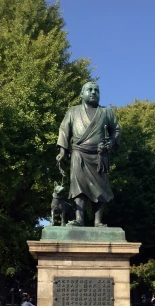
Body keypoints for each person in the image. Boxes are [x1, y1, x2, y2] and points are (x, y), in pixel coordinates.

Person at [55, 82, 121, 227]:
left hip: (99, 154)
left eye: (96, 90)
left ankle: (98, 221)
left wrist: (110, 143)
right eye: (89, 90)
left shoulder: (107, 112)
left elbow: (116, 130)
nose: (93, 92)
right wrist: (62, 150)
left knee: (101, 187)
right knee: (78, 185)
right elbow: (64, 130)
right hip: (79, 153)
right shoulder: (73, 111)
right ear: (82, 94)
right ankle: (79, 219)